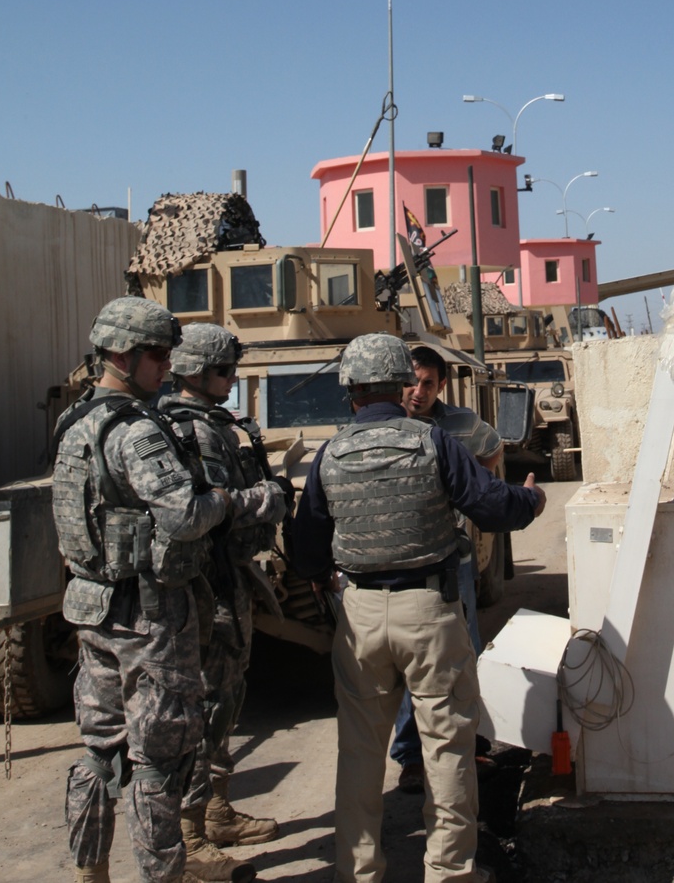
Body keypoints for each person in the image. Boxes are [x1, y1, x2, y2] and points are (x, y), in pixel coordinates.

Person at [293, 332, 545, 883]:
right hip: (429, 610)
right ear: (402, 383)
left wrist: (326, 580)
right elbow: (491, 504)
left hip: (359, 614)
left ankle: (359, 872)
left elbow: (306, 545)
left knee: (359, 754)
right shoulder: (434, 443)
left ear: (350, 389)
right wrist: (533, 498)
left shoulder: (331, 452)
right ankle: (450, 872)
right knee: (448, 746)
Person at [51, 297, 232, 883]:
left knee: (97, 752)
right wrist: (227, 501)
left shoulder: (74, 421)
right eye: (157, 354)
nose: (166, 366)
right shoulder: (135, 431)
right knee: (159, 761)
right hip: (149, 617)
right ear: (123, 355)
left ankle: (91, 873)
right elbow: (183, 516)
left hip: (93, 605)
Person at [159, 324, 289, 882]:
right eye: (224, 372)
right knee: (207, 705)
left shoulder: (208, 424)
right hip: (208, 585)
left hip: (225, 579)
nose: (232, 381)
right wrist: (269, 499)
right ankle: (191, 835)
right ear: (195, 374)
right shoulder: (195, 432)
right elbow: (214, 509)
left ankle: (216, 811)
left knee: (225, 698)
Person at [390, 344, 503, 794]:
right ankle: (411, 755)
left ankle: (466, 742)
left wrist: (471, 487)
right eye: (411, 381)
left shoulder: (460, 424)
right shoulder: (385, 422)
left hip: (453, 557)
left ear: (440, 386)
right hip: (402, 559)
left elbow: (492, 449)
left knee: (464, 651)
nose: (418, 392)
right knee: (410, 662)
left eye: (428, 384)